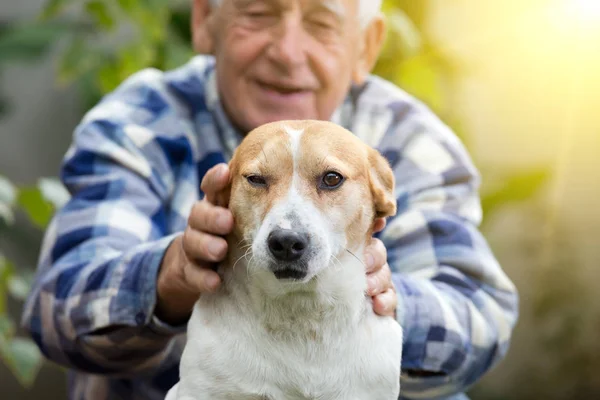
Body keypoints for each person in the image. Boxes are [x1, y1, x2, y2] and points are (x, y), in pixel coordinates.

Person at [22, 0, 518, 399]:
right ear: (204, 21)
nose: (287, 51)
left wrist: (378, 298)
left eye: (322, 21)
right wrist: (169, 275)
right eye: (258, 13)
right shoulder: (138, 122)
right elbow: (52, 311)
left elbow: (482, 322)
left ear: (366, 45)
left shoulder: (410, 141)